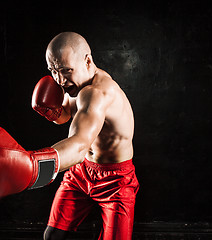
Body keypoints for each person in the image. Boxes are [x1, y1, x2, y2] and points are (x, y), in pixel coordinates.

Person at [40, 32, 139, 240]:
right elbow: (66, 115)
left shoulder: (99, 92)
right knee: (52, 236)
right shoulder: (73, 83)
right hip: (81, 171)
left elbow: (79, 144)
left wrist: (35, 165)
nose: (59, 79)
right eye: (53, 71)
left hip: (116, 179)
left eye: (66, 70)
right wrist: (52, 112)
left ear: (87, 60)